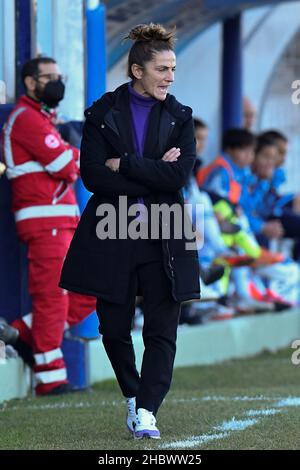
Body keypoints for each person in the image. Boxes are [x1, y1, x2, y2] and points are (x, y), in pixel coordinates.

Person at [59, 23, 201, 439]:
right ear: (137, 70)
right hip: (111, 231)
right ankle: (133, 395)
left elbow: (179, 175)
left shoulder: (181, 116)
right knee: (113, 327)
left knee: (162, 328)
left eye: (173, 69)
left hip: (167, 230)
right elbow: (92, 178)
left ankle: (147, 411)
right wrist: (154, 171)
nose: (170, 77)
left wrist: (129, 164)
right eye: (162, 69)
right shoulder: (102, 114)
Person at [0, 57, 96, 395]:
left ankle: (17, 332)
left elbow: (73, 164)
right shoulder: (25, 118)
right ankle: (50, 378)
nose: (56, 82)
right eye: (48, 77)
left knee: (90, 291)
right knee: (53, 298)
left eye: (59, 76)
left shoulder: (43, 120)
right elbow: (64, 165)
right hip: (44, 223)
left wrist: (75, 161)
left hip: (63, 221)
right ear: (29, 82)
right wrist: (75, 160)